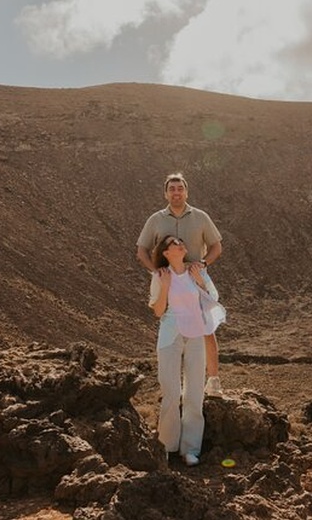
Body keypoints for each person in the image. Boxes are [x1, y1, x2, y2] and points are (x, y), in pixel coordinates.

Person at [137, 173, 225, 397]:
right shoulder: (155, 219)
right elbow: (142, 250)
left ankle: (213, 380)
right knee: (172, 324)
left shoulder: (201, 217)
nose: (176, 192)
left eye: (180, 188)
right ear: (165, 193)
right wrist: (155, 271)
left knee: (206, 326)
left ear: (186, 191)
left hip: (195, 277)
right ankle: (174, 386)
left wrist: (204, 263)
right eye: (172, 189)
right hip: (168, 279)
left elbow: (216, 246)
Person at [149, 235, 225, 466]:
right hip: (170, 336)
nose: (181, 244)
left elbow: (213, 298)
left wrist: (199, 281)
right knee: (171, 392)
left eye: (182, 241)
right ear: (165, 252)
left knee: (194, 393)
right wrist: (166, 287)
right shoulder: (160, 276)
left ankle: (190, 449)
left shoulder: (198, 271)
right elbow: (159, 312)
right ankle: (167, 446)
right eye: (174, 243)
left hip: (196, 334)